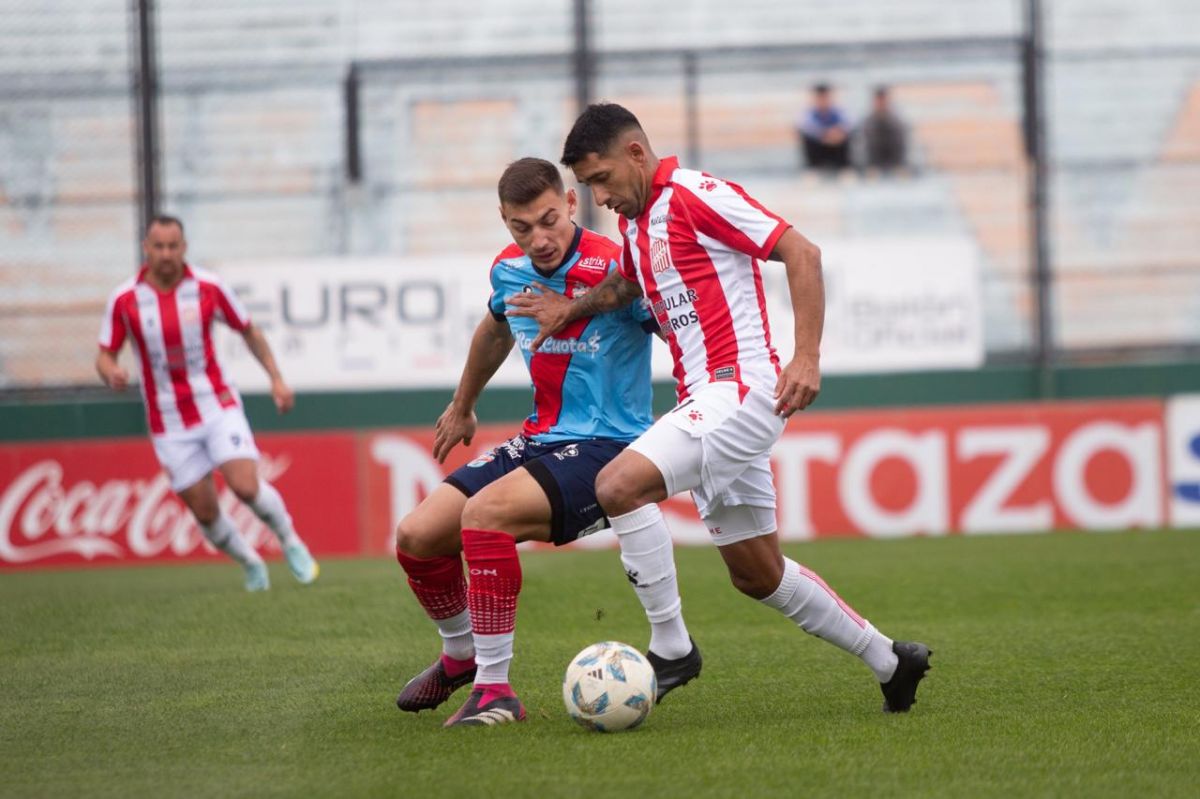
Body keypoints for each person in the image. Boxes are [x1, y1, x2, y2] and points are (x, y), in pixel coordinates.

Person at [509, 103, 931, 713]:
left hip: (740, 389)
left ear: (635, 154)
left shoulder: (695, 195)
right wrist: (568, 311)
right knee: (757, 574)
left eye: (601, 179)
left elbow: (802, 252)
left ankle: (671, 647)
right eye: (589, 186)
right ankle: (892, 661)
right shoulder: (637, 225)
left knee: (617, 485)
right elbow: (625, 284)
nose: (599, 197)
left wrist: (806, 357)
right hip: (706, 399)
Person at [392, 157, 699, 728]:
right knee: (416, 537)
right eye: (522, 227)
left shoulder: (617, 266)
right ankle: (459, 654)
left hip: (610, 447)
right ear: (504, 221)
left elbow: (680, 328)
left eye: (549, 220)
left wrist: (704, 409)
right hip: (542, 438)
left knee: (484, 517)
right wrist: (463, 404)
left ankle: (494, 690)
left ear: (571, 204)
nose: (539, 239)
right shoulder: (508, 271)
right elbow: (496, 329)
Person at [95, 215, 319, 591]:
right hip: (168, 420)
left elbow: (248, 330)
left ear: (184, 247)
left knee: (245, 486)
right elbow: (104, 354)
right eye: (159, 246)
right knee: (205, 511)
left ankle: (290, 540)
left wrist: (276, 379)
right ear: (146, 248)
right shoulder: (124, 299)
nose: (166, 254)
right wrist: (111, 372)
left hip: (216, 405)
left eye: (173, 246)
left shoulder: (208, 287)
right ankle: (250, 563)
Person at [796, 83, 852, 172]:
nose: (823, 101)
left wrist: (837, 132)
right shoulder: (809, 112)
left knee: (847, 135)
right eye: (820, 98)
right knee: (805, 136)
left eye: (825, 97)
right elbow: (805, 126)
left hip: (837, 145)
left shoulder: (837, 110)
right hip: (818, 146)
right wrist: (824, 134)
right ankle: (812, 168)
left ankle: (845, 168)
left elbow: (848, 123)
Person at [861, 85, 907, 173]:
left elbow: (902, 147)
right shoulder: (867, 123)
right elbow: (862, 148)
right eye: (879, 101)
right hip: (872, 168)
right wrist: (866, 167)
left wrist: (901, 165)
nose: (881, 104)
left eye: (883, 100)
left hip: (895, 166)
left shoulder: (897, 122)